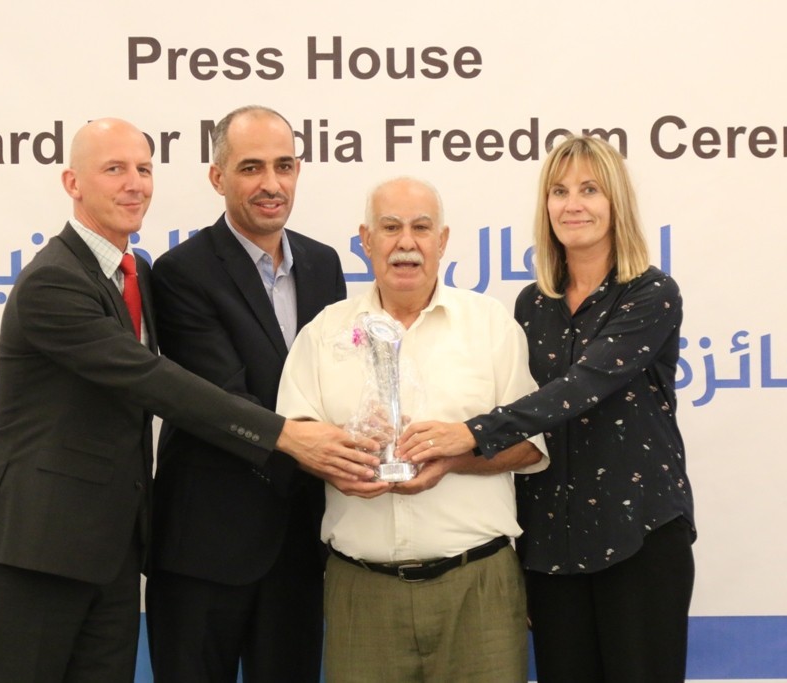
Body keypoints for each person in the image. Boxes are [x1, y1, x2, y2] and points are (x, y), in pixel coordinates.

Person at [0, 117, 378, 683]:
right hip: (36, 546)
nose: (134, 184)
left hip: (112, 550)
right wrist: (287, 435)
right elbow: (155, 381)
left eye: (143, 169)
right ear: (72, 182)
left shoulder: (131, 274)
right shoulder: (53, 282)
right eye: (114, 169)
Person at [398, 135, 696, 683]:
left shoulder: (651, 293)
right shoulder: (532, 304)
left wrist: (470, 432)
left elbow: (581, 388)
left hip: (640, 532)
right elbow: (527, 416)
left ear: (616, 202)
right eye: (559, 191)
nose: (572, 204)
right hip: (551, 546)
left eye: (589, 189)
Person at [276, 176, 548, 683]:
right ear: (365, 240)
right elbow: (296, 436)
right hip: (362, 593)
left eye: (421, 228)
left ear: (442, 241)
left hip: (478, 588)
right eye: (390, 227)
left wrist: (454, 457)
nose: (406, 242)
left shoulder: (489, 325)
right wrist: (342, 459)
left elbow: (530, 447)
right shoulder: (324, 332)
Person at [144, 105, 344, 683]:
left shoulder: (323, 263)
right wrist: (324, 450)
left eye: (284, 166)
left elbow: (336, 382)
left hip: (301, 543)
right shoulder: (181, 272)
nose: (271, 184)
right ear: (218, 177)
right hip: (207, 546)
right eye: (251, 168)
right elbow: (220, 399)